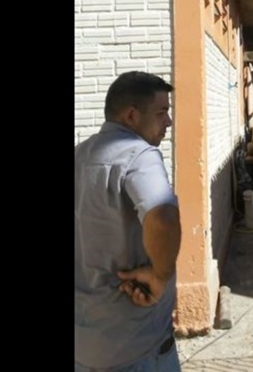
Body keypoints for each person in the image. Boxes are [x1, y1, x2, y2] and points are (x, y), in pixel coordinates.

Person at [75, 71, 183, 372]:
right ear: (132, 116)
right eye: (162, 112)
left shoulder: (79, 156)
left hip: (84, 343)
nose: (168, 122)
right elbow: (162, 217)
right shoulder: (139, 155)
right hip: (136, 345)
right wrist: (161, 277)